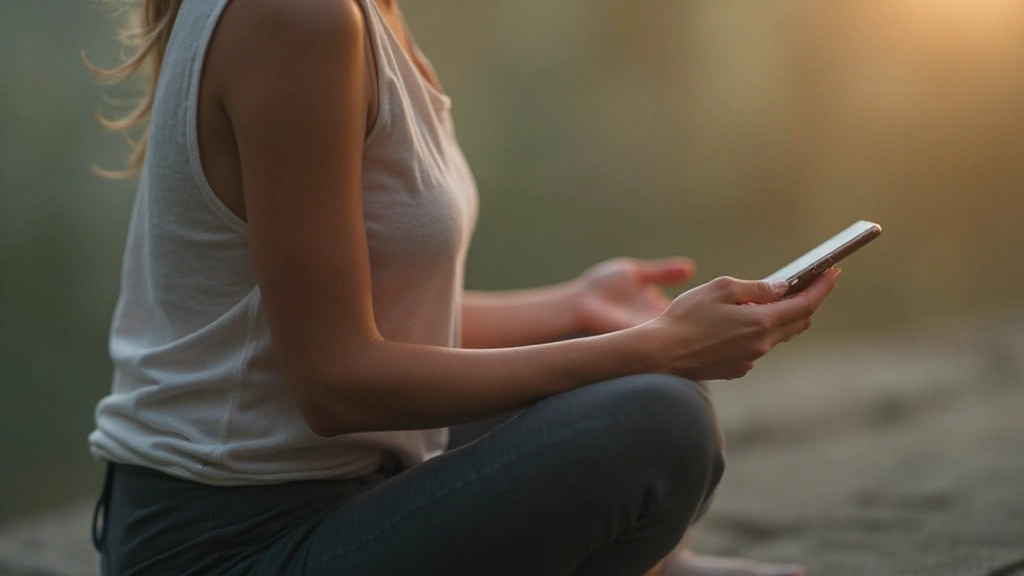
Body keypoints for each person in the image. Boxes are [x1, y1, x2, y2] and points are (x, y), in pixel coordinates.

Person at [86, 0, 837, 574]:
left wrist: (575, 307)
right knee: (657, 418)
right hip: (230, 543)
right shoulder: (296, 19)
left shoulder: (358, 12)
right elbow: (335, 384)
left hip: (337, 489)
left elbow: (357, 319)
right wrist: (657, 349)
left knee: (600, 350)